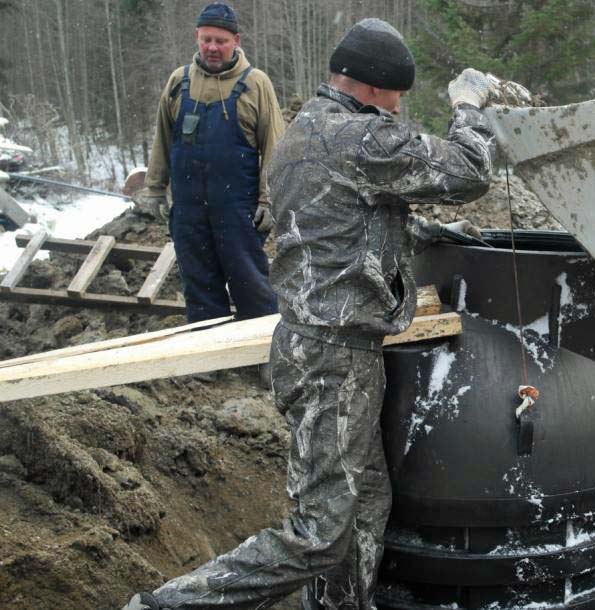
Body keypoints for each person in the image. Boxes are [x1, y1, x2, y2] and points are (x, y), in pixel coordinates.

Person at [121, 16, 501, 610]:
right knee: (318, 534)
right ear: (373, 86)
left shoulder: (308, 130)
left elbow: (339, 223)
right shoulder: (362, 137)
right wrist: (469, 105)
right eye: (397, 95)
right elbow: (469, 171)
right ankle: (162, 606)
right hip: (333, 358)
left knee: (366, 503)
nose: (399, 108)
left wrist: (425, 231)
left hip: (321, 346)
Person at [134, 2, 283, 323]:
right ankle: (208, 350)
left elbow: (275, 147)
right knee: (200, 291)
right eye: (207, 40)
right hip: (188, 212)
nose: (213, 47)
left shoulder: (256, 84)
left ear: (236, 41)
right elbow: (162, 139)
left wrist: (268, 200)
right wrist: (154, 189)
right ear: (197, 38)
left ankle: (260, 347)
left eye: (221, 41)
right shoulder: (179, 81)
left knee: (252, 287)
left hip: (237, 212)